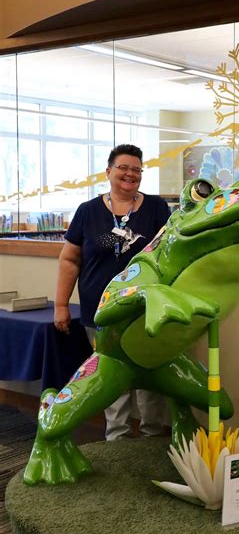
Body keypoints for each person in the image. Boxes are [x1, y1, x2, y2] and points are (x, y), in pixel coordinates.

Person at [54, 143, 171, 440]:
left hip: (145, 312)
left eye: (136, 169)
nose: (130, 174)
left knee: (150, 379)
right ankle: (115, 442)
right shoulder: (87, 212)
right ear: (108, 172)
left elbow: (170, 255)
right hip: (101, 313)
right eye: (123, 168)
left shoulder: (157, 208)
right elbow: (69, 260)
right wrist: (61, 305)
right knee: (109, 381)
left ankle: (151, 440)